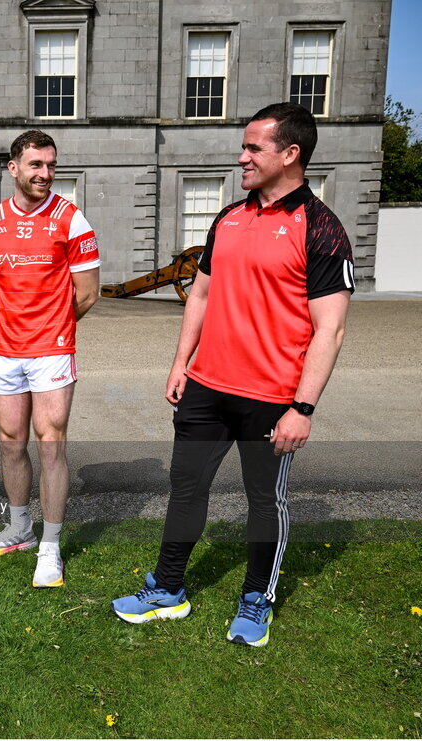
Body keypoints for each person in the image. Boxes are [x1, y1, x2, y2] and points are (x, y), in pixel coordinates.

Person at [111, 102, 355, 647]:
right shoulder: (229, 217)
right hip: (207, 388)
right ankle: (168, 589)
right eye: (243, 147)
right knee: (185, 490)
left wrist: (304, 408)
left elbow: (330, 329)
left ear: (290, 154)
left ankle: (256, 600)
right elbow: (199, 293)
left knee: (264, 502)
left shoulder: (321, 228)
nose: (240, 156)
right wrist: (181, 363)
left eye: (253, 148)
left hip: (272, 399)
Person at [0, 130, 100, 588]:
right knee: (10, 441)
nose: (46, 173)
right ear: (14, 168)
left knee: (51, 443)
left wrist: (52, 329)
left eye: (51, 165)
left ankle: (50, 547)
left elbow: (87, 294)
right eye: (35, 165)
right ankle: (20, 528)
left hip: (51, 352)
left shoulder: (71, 219)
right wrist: (20, 323)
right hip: (2, 351)